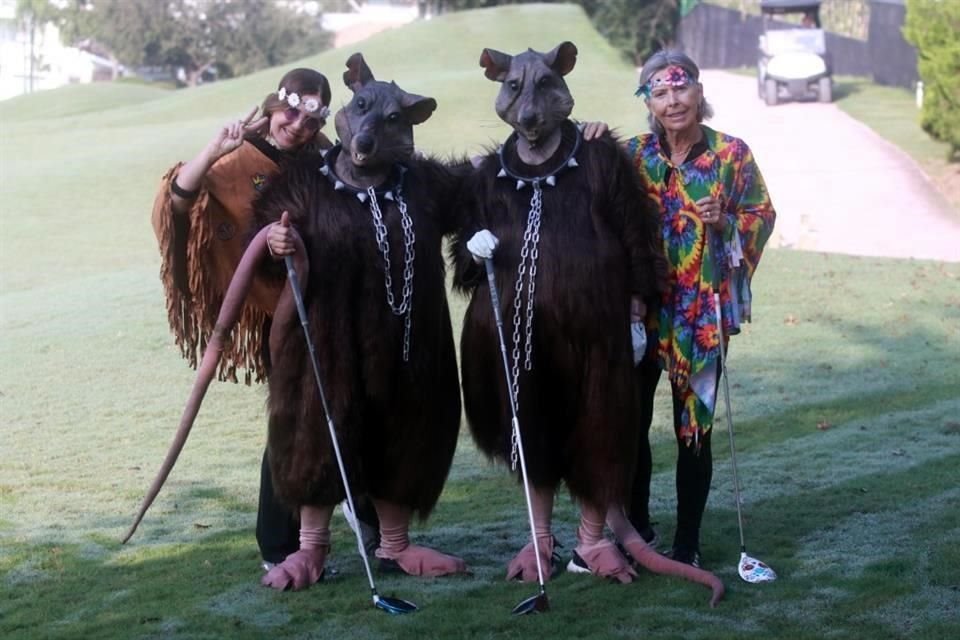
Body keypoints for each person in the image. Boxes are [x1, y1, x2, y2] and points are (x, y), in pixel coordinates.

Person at [149, 67, 378, 572]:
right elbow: (179, 201)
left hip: (327, 307)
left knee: (349, 409)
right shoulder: (237, 155)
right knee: (292, 421)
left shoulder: (324, 159)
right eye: (291, 111)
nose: (296, 124)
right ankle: (280, 544)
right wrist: (215, 148)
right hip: (276, 314)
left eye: (310, 116)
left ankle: (369, 526)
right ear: (276, 105)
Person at [624, 50, 776, 568]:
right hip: (641, 310)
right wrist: (590, 135)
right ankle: (638, 529)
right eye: (660, 93)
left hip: (701, 315)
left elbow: (761, 213)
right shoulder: (633, 155)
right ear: (648, 101)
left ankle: (686, 541)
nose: (673, 102)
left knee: (694, 427)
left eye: (681, 89)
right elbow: (589, 190)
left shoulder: (732, 155)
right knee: (630, 421)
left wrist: (724, 222)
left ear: (698, 92)